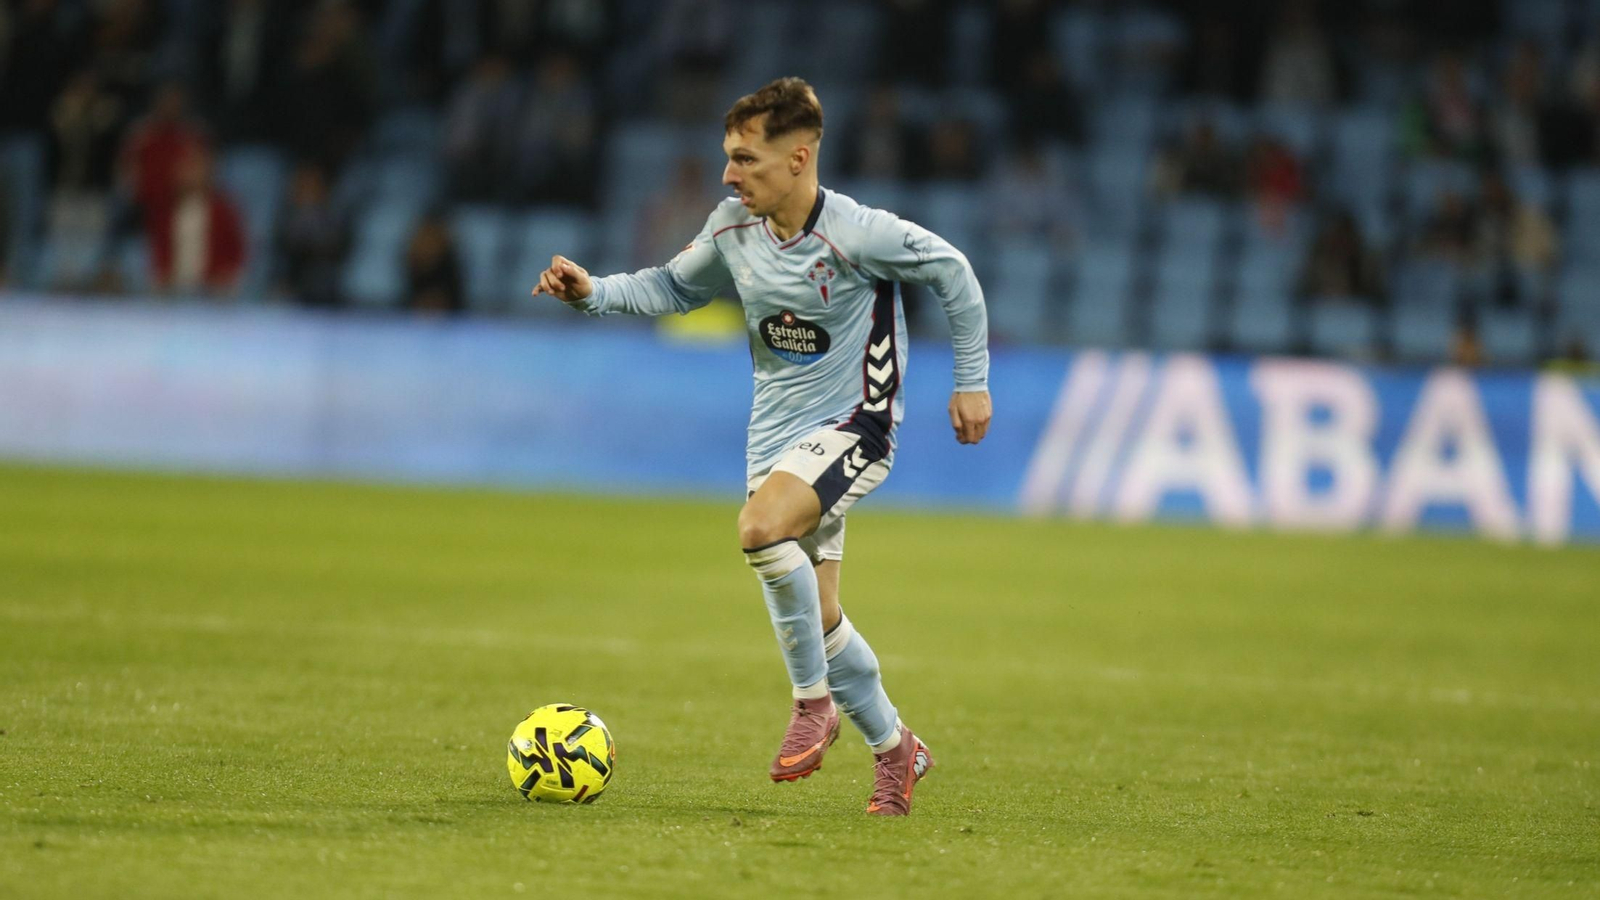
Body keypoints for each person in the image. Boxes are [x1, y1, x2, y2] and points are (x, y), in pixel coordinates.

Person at [532, 77, 991, 816]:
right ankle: (897, 750)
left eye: (745, 159)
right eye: (728, 157)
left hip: (856, 424)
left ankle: (813, 705)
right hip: (774, 437)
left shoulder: (859, 233)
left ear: (799, 158)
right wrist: (592, 292)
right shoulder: (733, 226)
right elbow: (673, 288)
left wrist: (972, 381)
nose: (728, 174)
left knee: (758, 528)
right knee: (823, 617)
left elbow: (952, 271)